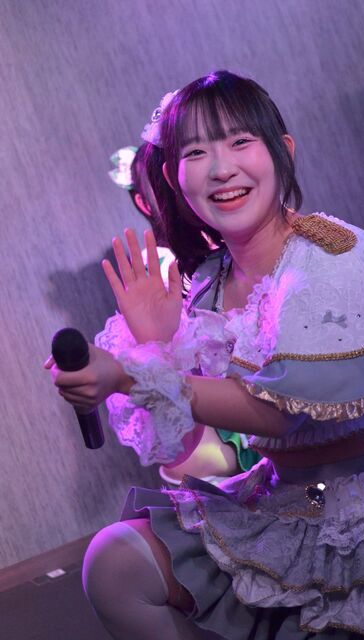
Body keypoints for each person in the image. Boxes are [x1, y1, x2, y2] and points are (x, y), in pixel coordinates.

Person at [47, 70, 364, 639]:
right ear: (174, 177)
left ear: (282, 152)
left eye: (240, 141)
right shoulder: (207, 283)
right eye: (196, 152)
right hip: (288, 499)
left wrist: (132, 374)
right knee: (115, 561)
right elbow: (183, 448)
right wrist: (157, 347)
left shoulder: (329, 255)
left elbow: (279, 412)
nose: (221, 169)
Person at [108, 129, 261, 485]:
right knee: (190, 460)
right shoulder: (163, 269)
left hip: (282, 387)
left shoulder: (247, 237)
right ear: (145, 203)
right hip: (220, 409)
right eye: (165, 186)